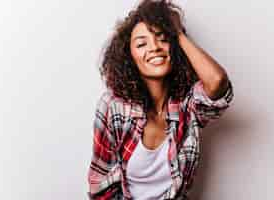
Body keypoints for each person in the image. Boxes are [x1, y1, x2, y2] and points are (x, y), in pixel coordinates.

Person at [87, 0, 234, 199]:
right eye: (141, 44)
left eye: (162, 38)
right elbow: (100, 186)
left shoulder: (186, 104)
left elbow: (217, 82)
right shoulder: (114, 106)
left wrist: (177, 32)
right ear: (129, 57)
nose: (154, 47)